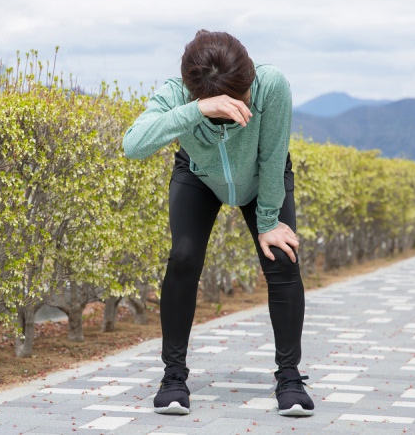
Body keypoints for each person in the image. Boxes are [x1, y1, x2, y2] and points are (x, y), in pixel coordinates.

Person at [122, 29, 314, 417]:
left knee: (281, 257)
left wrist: (267, 223)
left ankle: (290, 378)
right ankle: (173, 377)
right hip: (199, 176)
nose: (237, 107)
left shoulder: (271, 84)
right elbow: (133, 144)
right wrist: (198, 110)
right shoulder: (177, 94)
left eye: (241, 97)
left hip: (263, 179)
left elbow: (274, 157)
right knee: (183, 257)